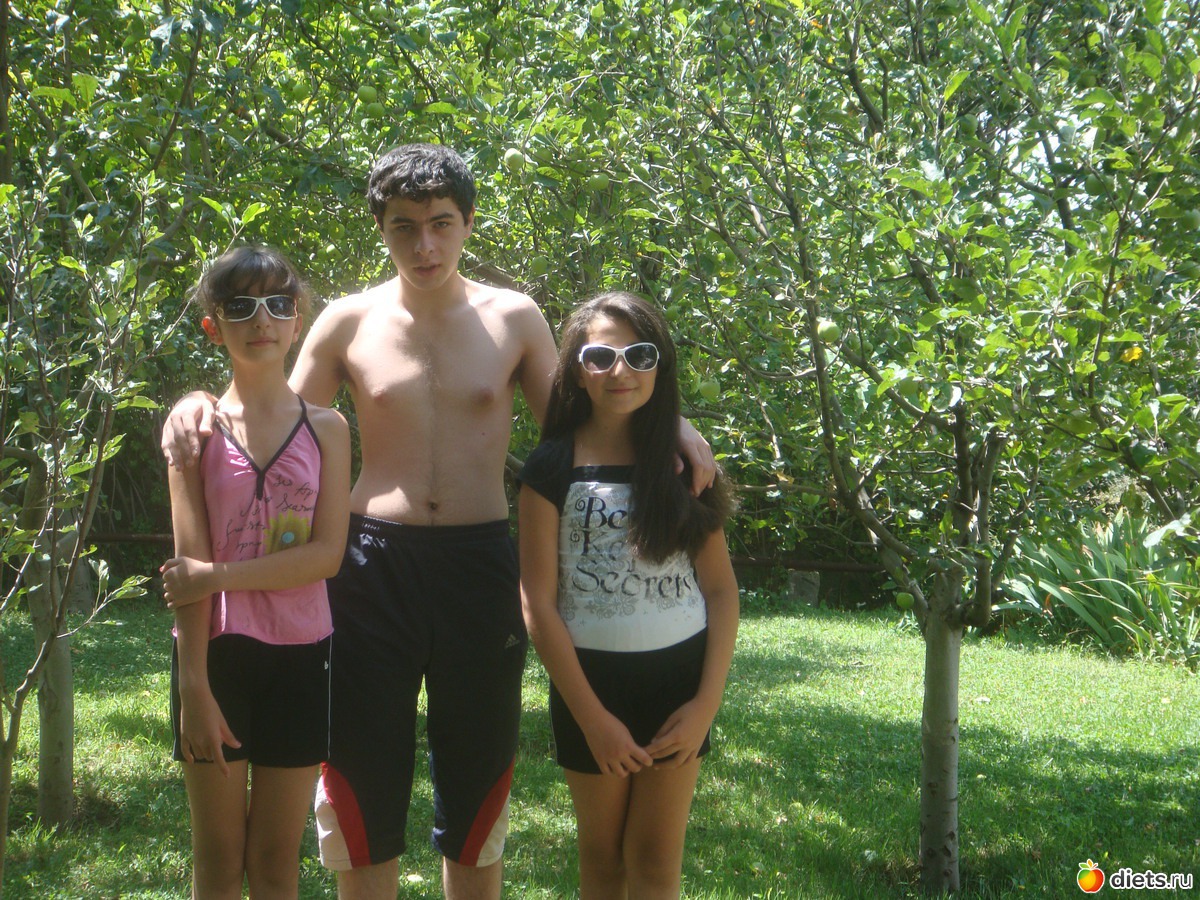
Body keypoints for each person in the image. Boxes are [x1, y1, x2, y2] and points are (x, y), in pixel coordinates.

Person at [160, 143, 715, 900]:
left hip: (479, 567)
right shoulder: (348, 322)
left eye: (441, 224)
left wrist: (670, 424)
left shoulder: (513, 318)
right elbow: (270, 415)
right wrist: (194, 403)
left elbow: (585, 424)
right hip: (369, 568)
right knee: (361, 775)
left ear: (468, 224)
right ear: (382, 230)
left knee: (477, 776)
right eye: (405, 226)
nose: (425, 245)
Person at [517, 291, 739, 900]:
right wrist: (592, 720)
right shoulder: (550, 468)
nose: (620, 370)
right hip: (591, 692)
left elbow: (721, 591)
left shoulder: (683, 466)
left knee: (655, 863)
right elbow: (537, 602)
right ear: (576, 371)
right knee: (604, 863)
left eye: (639, 355)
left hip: (679, 692)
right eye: (600, 356)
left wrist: (705, 706)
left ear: (659, 367)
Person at [161, 246, 351, 899]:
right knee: (217, 858)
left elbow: (326, 555)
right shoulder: (193, 433)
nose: (261, 320)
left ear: (298, 320)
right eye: (240, 306)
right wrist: (193, 687)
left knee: (274, 862)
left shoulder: (328, 429)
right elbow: (185, 566)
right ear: (213, 326)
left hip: (303, 655)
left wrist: (214, 577)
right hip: (214, 657)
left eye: (277, 304)